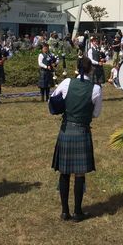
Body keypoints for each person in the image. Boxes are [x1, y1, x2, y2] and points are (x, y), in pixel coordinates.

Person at [51, 57, 102, 222]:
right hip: (82, 131)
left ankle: (65, 212)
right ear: (91, 70)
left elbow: (53, 99)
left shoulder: (67, 82)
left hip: (66, 130)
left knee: (64, 172)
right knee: (79, 174)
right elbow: (96, 114)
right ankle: (78, 212)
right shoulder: (96, 89)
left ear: (76, 68)